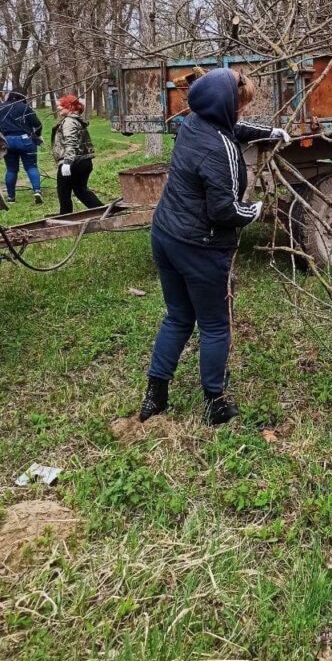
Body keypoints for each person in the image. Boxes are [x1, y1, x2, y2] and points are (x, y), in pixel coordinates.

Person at [139, 67, 291, 427]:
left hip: (165, 234)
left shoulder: (192, 124)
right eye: (241, 107)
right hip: (200, 246)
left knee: (178, 316)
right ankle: (214, 404)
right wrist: (252, 212)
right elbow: (223, 210)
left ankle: (155, 397)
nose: (242, 114)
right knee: (214, 325)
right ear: (227, 105)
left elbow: (231, 129)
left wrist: (270, 132)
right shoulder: (220, 150)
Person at [52, 95, 104, 215]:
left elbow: (71, 141)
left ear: (70, 107)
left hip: (73, 162)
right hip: (84, 162)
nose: (59, 107)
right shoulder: (77, 120)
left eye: (62, 105)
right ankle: (102, 211)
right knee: (81, 191)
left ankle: (65, 218)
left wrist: (67, 162)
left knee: (63, 192)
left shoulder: (69, 122)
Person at [0, 89, 44, 205]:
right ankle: (37, 190)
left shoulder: (1, 108)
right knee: (31, 166)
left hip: (7, 141)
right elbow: (38, 124)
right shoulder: (25, 107)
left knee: (11, 169)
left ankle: (11, 197)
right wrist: (37, 136)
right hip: (25, 140)